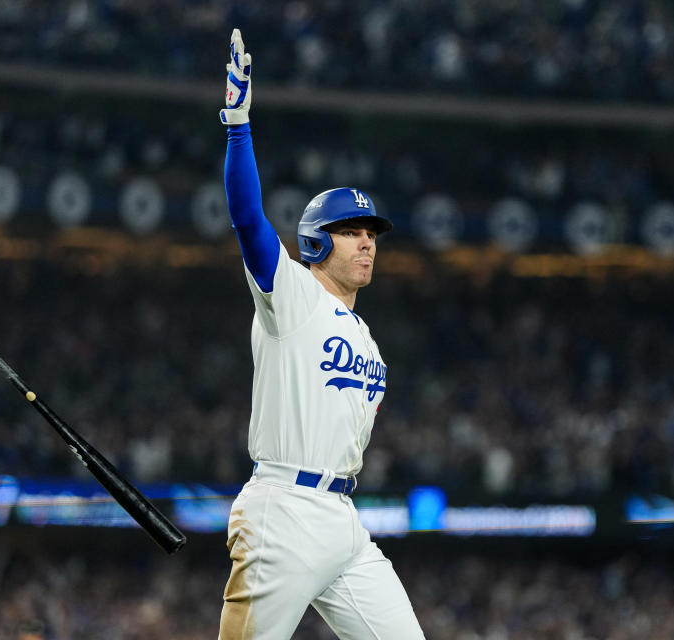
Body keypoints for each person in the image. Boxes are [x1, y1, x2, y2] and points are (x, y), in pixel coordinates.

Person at [216, 29, 425, 640]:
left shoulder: (367, 337)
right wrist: (238, 126)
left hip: (341, 518)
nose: (367, 241)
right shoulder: (293, 295)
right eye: (350, 230)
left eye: (372, 232)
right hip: (282, 510)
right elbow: (248, 220)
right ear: (314, 241)